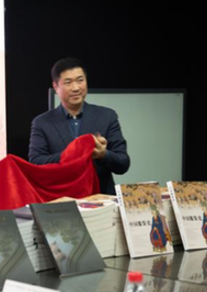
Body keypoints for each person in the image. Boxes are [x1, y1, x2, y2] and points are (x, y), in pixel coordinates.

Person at [28, 57, 130, 195]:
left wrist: (103, 154)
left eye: (80, 80)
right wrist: (73, 153)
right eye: (68, 82)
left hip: (101, 199)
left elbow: (123, 163)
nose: (76, 88)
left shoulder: (107, 116)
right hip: (61, 200)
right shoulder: (42, 122)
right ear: (56, 86)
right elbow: (36, 162)